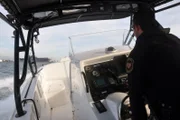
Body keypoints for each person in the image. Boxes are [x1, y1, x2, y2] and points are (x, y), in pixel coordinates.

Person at [126, 4, 180, 120]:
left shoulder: (137, 54)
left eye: (133, 30)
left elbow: (136, 98)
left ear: (137, 27)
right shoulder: (174, 40)